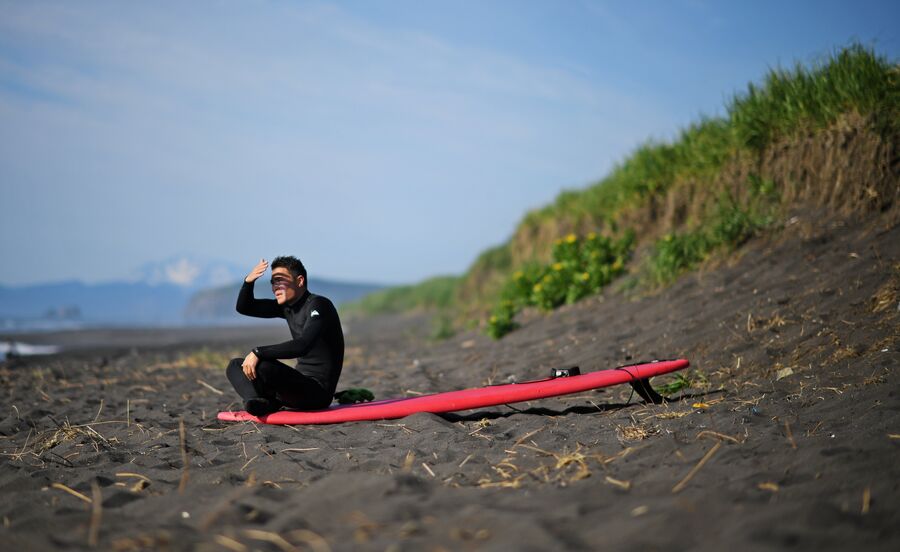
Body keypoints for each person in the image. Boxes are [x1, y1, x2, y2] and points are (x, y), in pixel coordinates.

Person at [225, 256, 344, 416]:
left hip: (317, 392)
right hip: (296, 385)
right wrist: (248, 281)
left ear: (299, 281)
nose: (274, 287)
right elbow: (244, 307)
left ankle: (264, 402)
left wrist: (258, 352)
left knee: (263, 365)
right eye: (272, 282)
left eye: (279, 280)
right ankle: (257, 402)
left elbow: (303, 345)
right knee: (234, 366)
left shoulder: (319, 305)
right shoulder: (286, 307)